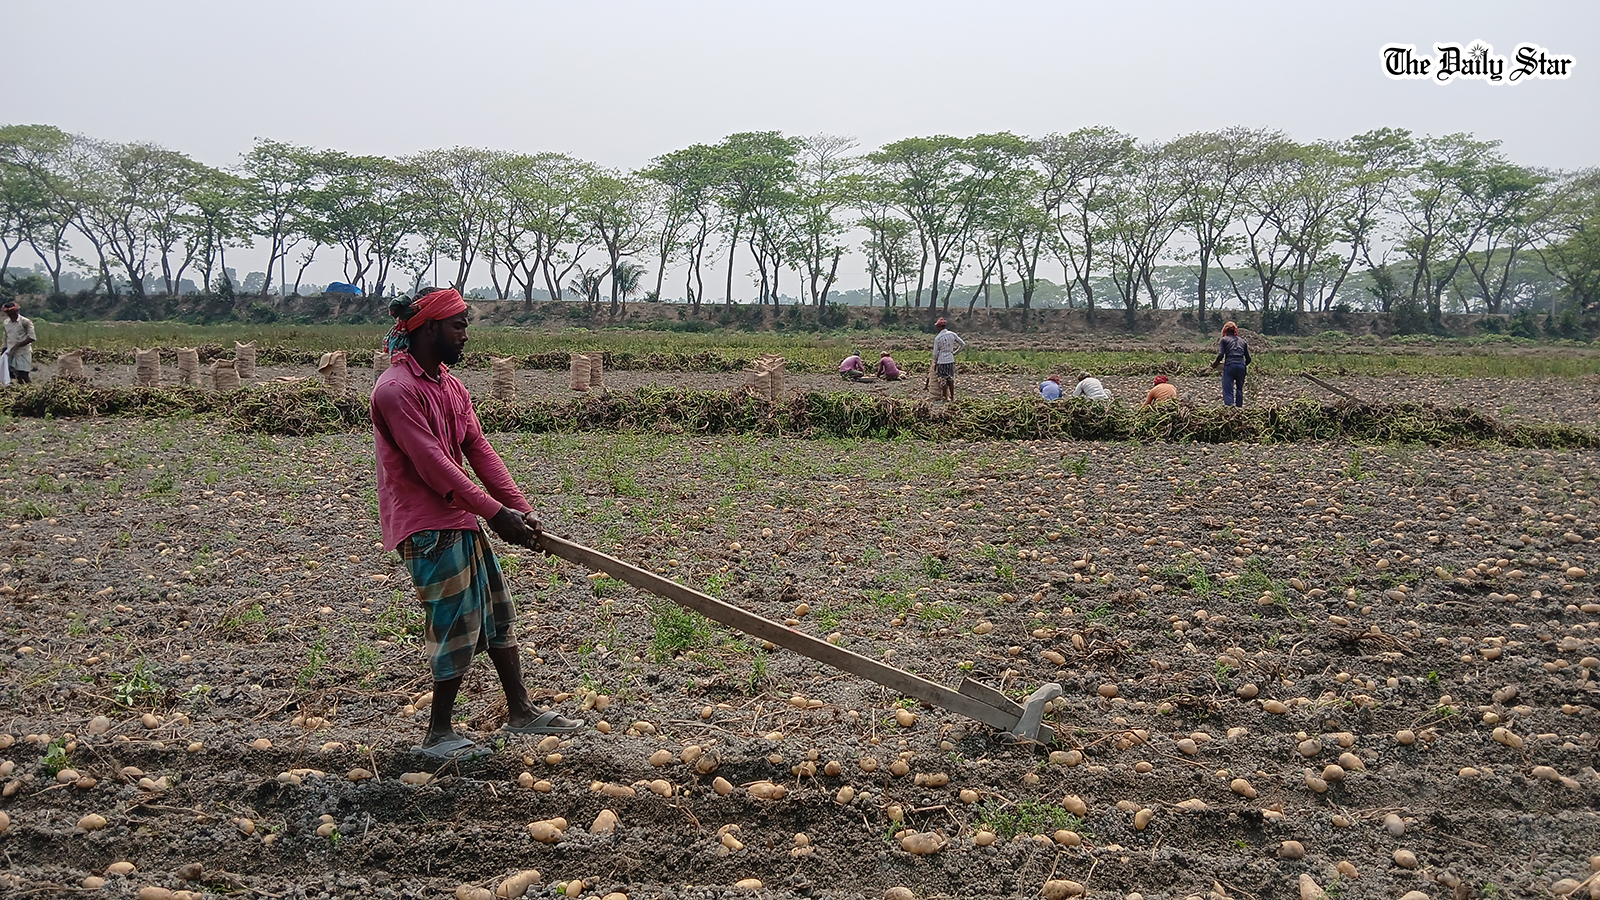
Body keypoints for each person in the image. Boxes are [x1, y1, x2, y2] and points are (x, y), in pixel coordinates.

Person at [371, 287, 581, 760]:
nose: (466, 335)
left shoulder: (448, 385)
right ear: (428, 328)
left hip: (460, 516)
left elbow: (477, 450)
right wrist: (495, 514)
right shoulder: (395, 391)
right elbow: (431, 465)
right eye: (458, 326)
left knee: (494, 614)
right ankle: (438, 734)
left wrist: (518, 508)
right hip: (426, 525)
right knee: (455, 623)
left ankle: (521, 711)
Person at [1210, 321, 1251, 407]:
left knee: (1228, 389)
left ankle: (1230, 409)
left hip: (1230, 366)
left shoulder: (1224, 340)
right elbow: (1248, 359)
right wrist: (1241, 365)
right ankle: (1239, 409)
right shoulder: (1243, 341)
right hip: (1242, 366)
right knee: (1239, 389)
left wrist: (1214, 365)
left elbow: (1221, 355)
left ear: (1225, 330)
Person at [932, 317, 965, 401]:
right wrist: (955, 352)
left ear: (939, 327)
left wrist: (935, 363)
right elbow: (962, 344)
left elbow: (935, 353)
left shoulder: (938, 338)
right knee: (950, 379)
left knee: (943, 380)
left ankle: (945, 397)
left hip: (941, 361)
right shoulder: (952, 334)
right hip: (950, 359)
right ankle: (952, 397)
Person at [3, 302, 36, 385]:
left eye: (10, 313)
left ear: (16, 312)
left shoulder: (25, 322)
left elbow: (32, 338)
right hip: (10, 352)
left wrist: (17, 346)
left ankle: (32, 389)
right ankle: (22, 390)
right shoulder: (6, 323)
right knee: (14, 374)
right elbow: (6, 338)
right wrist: (3, 351)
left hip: (23, 352)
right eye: (7, 314)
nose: (9, 315)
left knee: (23, 373)